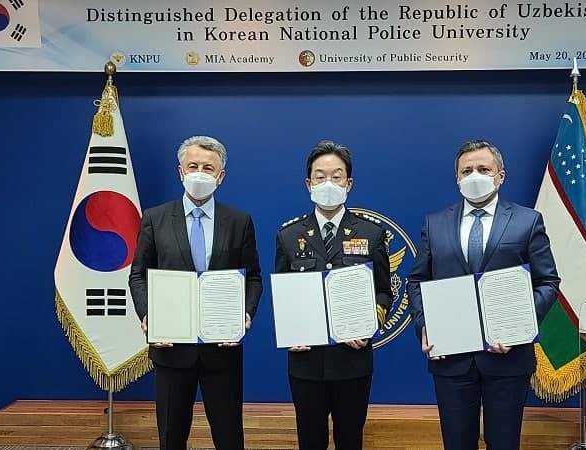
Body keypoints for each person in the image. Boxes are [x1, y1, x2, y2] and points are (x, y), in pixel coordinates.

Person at [407, 139, 560, 450]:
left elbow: (548, 282)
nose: (474, 175)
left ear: (500, 176)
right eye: (467, 170)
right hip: (451, 359)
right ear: (457, 178)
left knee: (503, 443)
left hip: (508, 359)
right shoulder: (435, 224)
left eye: (483, 169)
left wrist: (519, 326)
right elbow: (417, 281)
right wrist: (425, 325)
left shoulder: (527, 221)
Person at [129, 135, 263, 450]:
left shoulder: (239, 222)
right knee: (171, 439)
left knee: (229, 438)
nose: (199, 173)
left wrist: (245, 314)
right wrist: (149, 315)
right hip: (171, 348)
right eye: (193, 166)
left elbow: (253, 277)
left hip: (222, 349)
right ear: (181, 172)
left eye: (208, 168)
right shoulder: (155, 218)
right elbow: (138, 275)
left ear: (221, 176)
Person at [274, 140, 393, 450]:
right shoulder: (289, 235)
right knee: (310, 440)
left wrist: (369, 324)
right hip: (305, 362)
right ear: (308, 184)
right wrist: (290, 332)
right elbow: (283, 293)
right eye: (320, 176)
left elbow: (384, 291)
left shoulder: (371, 233)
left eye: (336, 176)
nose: (328, 183)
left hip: (352, 361)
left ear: (348, 183)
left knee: (350, 440)